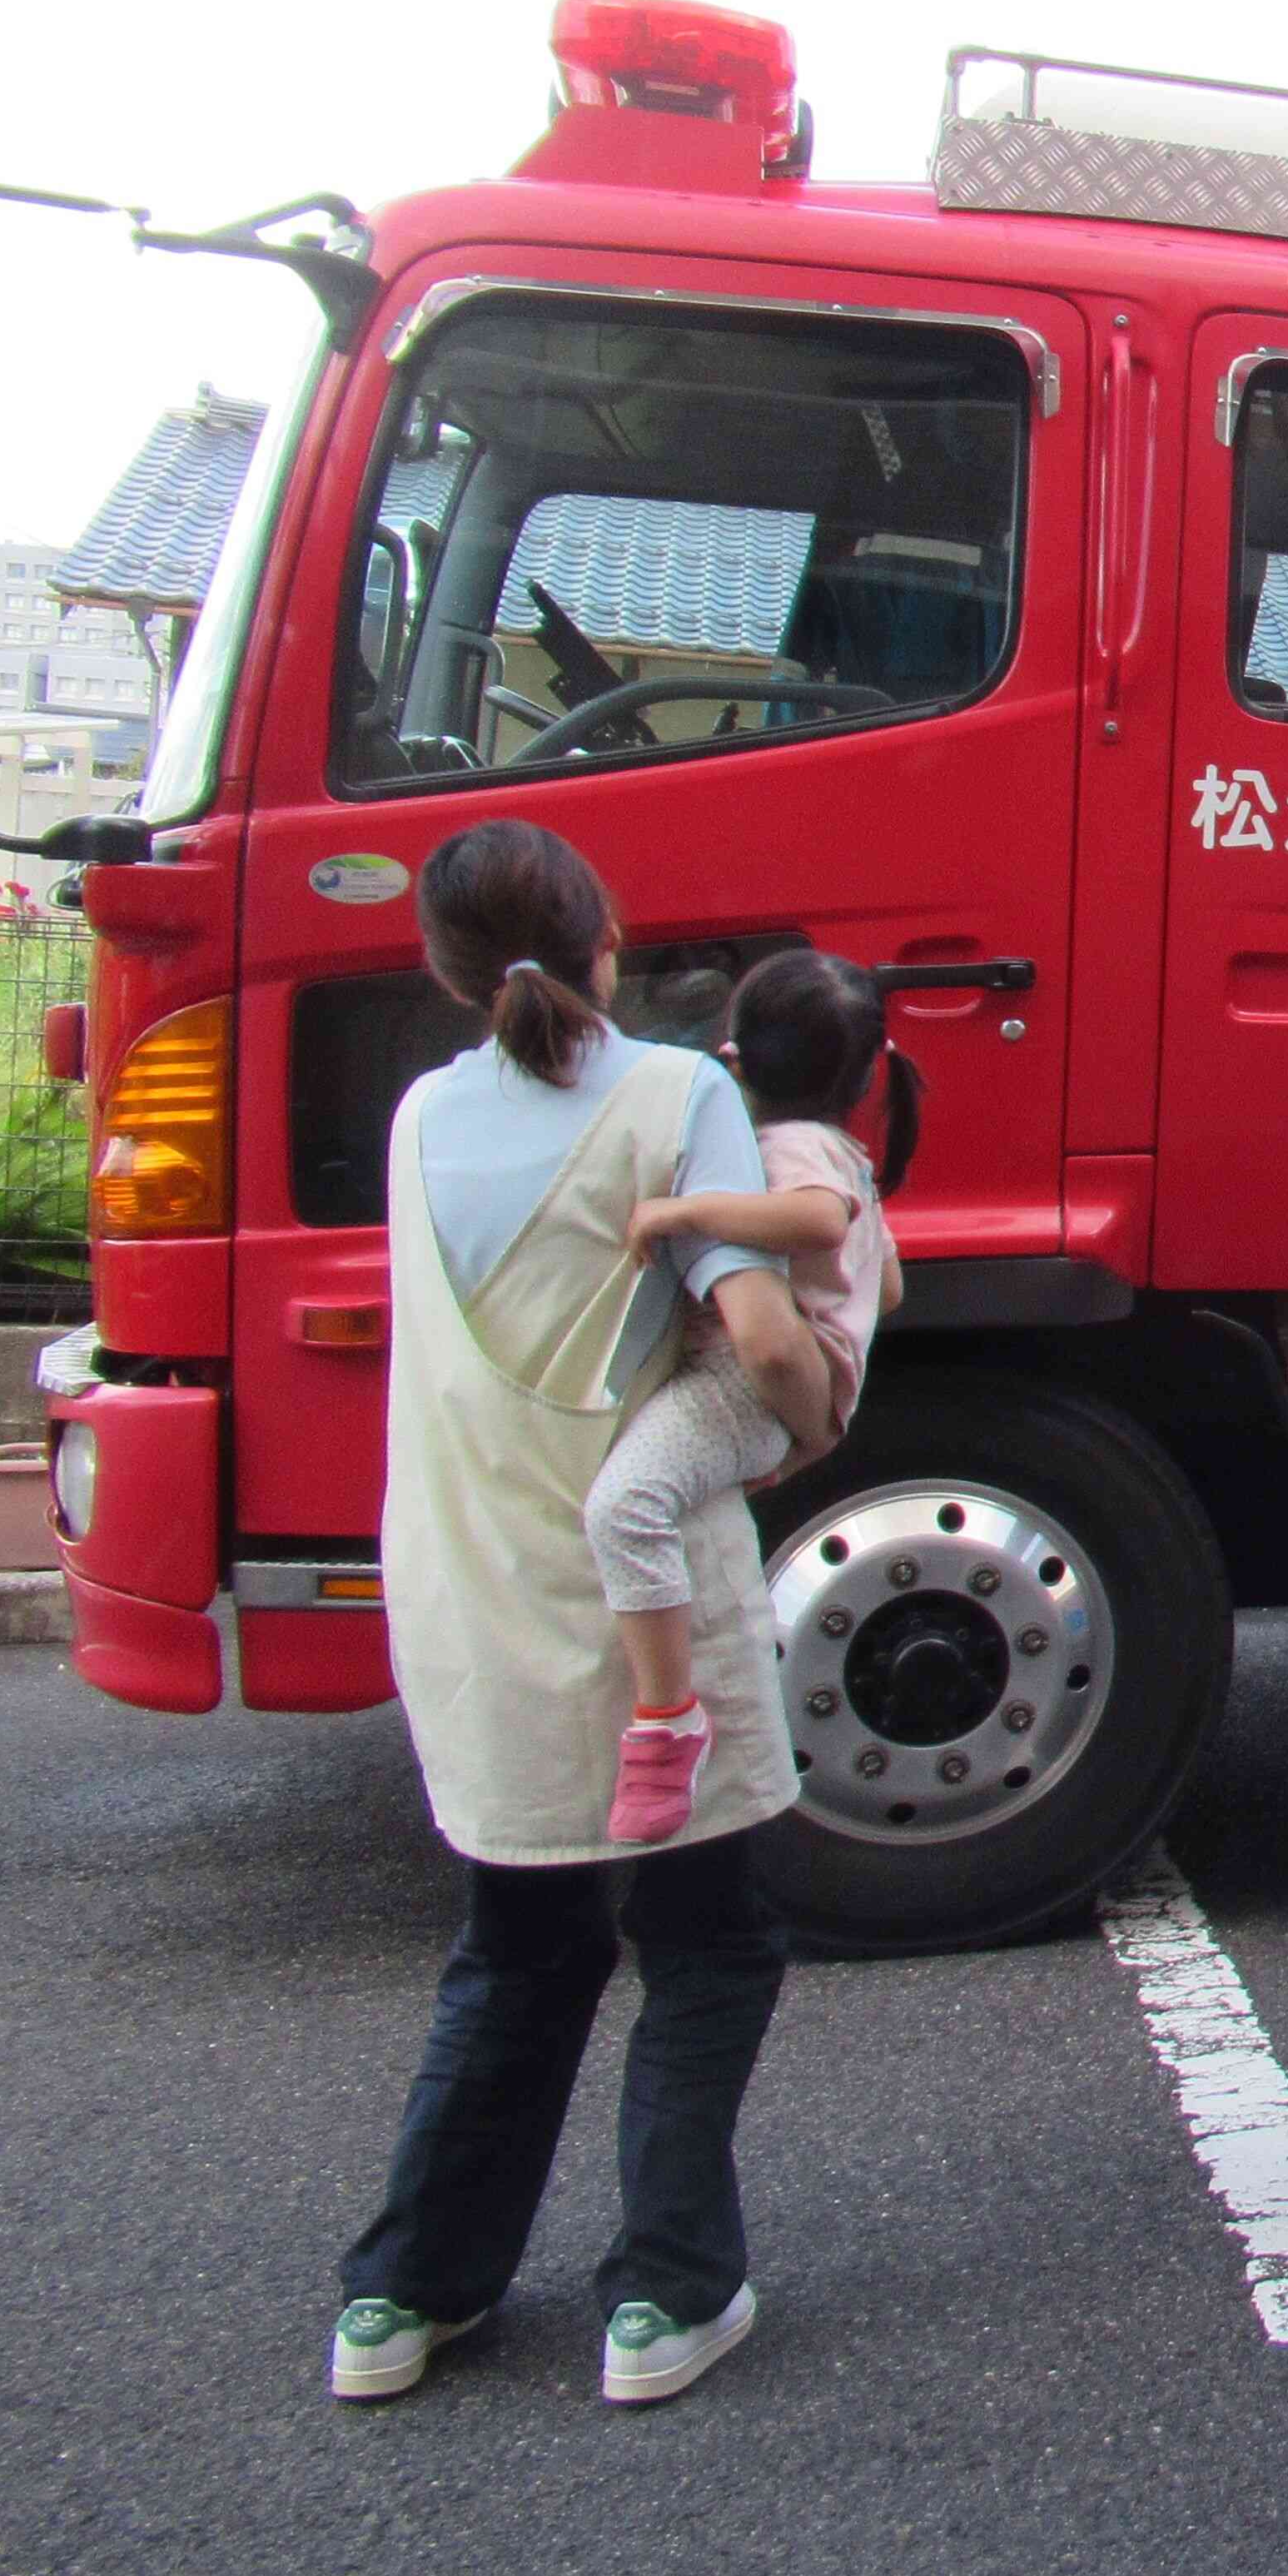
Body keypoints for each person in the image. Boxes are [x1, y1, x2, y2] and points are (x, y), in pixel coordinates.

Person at [331, 821, 836, 2411]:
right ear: (609, 934)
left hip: (474, 1578)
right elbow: (759, 1339)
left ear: (443, 967)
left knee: (518, 1949)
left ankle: (401, 2296)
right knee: (705, 1942)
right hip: (642, 1603)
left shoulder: (418, 1114)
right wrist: (815, 1410)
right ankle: (664, 2297)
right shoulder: (677, 1091)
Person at [593, 948, 916, 1842]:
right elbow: (885, 1289)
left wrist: (682, 1215)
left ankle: (666, 1721)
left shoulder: (789, 1150)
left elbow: (817, 1221)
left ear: (734, 1058)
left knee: (626, 1509)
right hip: (787, 1389)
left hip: (752, 1380)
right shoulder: (846, 1151)